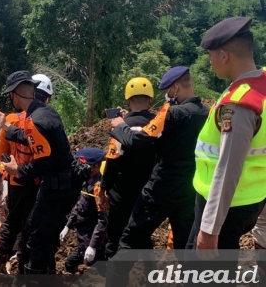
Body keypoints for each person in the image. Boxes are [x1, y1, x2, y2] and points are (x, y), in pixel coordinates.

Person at [105, 67, 208, 287]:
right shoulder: (207, 112)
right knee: (185, 249)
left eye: (167, 91)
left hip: (160, 189)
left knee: (129, 241)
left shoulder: (170, 112)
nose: (166, 96)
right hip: (190, 189)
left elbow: (138, 140)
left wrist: (119, 125)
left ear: (175, 88)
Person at [187, 17, 266, 268]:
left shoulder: (239, 103)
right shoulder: (261, 83)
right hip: (251, 200)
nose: (209, 63)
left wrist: (210, 229)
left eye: (210, 56)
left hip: (225, 208)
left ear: (224, 55)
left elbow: (228, 167)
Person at [0, 70, 75, 277]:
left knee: (36, 238)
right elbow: (30, 137)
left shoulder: (35, 120)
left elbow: (43, 164)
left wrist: (16, 170)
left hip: (56, 186)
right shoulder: (42, 112)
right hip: (61, 184)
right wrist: (8, 127)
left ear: (14, 94)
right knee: (35, 232)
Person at [100, 77, 157, 260]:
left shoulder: (120, 126)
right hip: (149, 192)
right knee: (143, 238)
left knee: (115, 239)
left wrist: (103, 188)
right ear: (150, 99)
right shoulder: (158, 123)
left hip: (122, 193)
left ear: (128, 100)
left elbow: (112, 159)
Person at [0, 106, 38, 275]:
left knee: (11, 221)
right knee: (29, 225)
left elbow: (0, 152)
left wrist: (10, 164)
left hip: (15, 181)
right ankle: (22, 268)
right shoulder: (40, 120)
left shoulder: (9, 120)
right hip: (35, 181)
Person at [61, 148, 107, 274]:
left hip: (91, 236)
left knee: (98, 271)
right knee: (70, 263)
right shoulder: (86, 181)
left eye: (83, 165)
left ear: (95, 166)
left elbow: (102, 220)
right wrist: (68, 225)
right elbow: (79, 206)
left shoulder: (98, 188)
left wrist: (93, 246)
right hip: (82, 236)